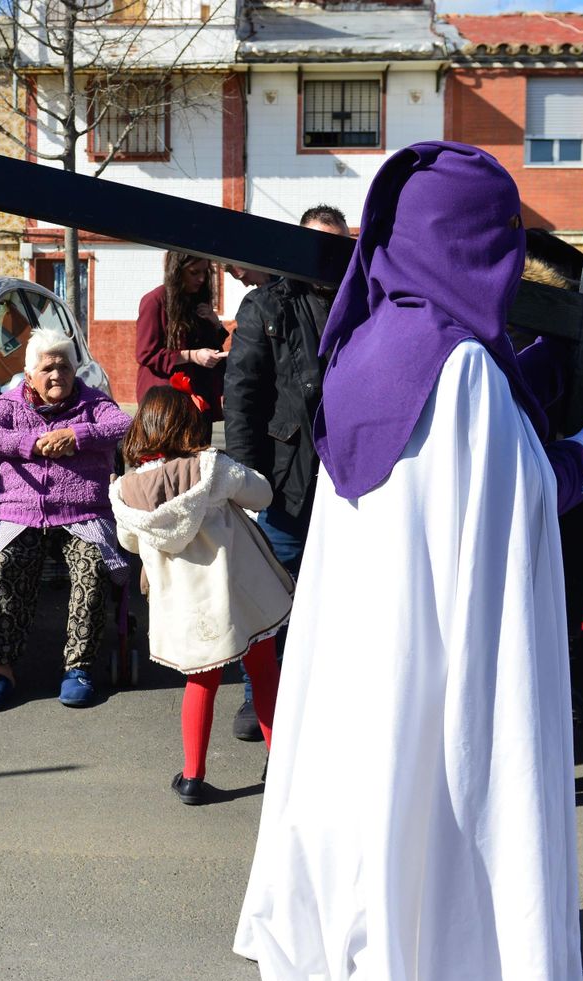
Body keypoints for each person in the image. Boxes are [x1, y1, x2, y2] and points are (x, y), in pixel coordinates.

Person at [234, 142, 583, 981]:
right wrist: (579, 461)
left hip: (374, 637)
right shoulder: (461, 370)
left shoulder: (367, 340)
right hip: (443, 638)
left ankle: (374, 950)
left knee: (380, 792)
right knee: (444, 795)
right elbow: (505, 501)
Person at [110, 380, 292, 804]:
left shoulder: (127, 491)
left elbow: (129, 541)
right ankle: (280, 764)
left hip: (187, 610)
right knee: (264, 670)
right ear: (188, 425)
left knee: (201, 683)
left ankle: (193, 776)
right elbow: (261, 494)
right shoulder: (212, 469)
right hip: (239, 596)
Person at [221, 203, 350, 743]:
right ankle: (260, 697)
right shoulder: (264, 304)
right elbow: (243, 395)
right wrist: (247, 480)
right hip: (284, 476)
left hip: (349, 477)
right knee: (272, 591)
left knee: (339, 593)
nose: (323, 256)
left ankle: (328, 696)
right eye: (314, 243)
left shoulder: (364, 301)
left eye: (335, 244)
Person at [0, 328, 131, 712]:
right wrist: (28, 444)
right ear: (29, 376)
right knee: (6, 566)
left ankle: (79, 668)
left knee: (92, 565)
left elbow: (122, 425)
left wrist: (78, 435)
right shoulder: (11, 405)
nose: (58, 375)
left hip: (83, 514)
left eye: (65, 366)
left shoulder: (93, 402)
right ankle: (0, 670)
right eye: (48, 368)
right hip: (20, 515)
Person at [134, 252, 230, 420]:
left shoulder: (197, 300)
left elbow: (205, 342)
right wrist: (193, 356)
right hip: (167, 404)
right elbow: (146, 354)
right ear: (177, 271)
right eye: (194, 272)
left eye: (204, 272)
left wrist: (215, 323)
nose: (201, 279)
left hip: (199, 400)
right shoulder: (155, 301)